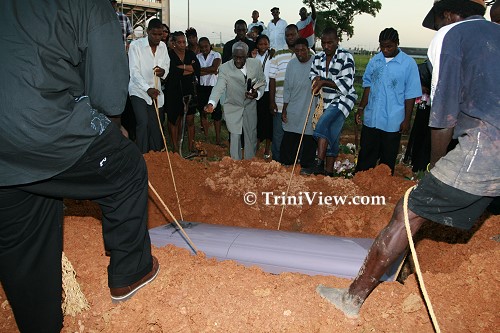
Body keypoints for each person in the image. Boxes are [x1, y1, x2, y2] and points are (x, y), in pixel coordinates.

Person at [316, 0, 499, 318]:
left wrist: (433, 168)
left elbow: (442, 114)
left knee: (407, 213)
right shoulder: (495, 34)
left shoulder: (450, 34)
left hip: (486, 147)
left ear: (447, 14)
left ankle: (351, 299)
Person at [0, 1, 160, 332]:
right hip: (39, 124)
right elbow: (108, 89)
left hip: (6, 149)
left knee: (29, 209)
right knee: (127, 166)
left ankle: (39, 322)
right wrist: (113, 126)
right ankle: (130, 273)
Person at [354, 28, 421, 175]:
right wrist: (361, 108)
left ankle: (383, 189)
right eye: (382, 46)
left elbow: (410, 94)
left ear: (397, 43)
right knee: (366, 154)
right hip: (372, 117)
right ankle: (361, 184)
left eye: (389, 46)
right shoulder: (375, 61)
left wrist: (407, 119)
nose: (385, 50)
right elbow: (368, 86)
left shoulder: (408, 64)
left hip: (393, 120)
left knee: (387, 158)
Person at [301, 27, 357, 176]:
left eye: (330, 43)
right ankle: (329, 173)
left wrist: (323, 82)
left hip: (342, 100)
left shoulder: (346, 57)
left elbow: (345, 84)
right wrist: (315, 80)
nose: (326, 46)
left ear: (337, 41)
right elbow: (313, 74)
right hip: (325, 101)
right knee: (332, 134)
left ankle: (318, 163)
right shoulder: (318, 57)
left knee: (322, 125)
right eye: (324, 43)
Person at [204, 42, 266, 160]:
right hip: (233, 106)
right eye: (235, 57)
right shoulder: (224, 68)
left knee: (251, 136)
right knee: (235, 136)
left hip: (250, 106)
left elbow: (262, 81)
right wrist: (211, 103)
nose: (237, 60)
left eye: (241, 57)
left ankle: (249, 163)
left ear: (247, 55)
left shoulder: (256, 64)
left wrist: (256, 94)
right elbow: (219, 86)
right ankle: (235, 164)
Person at [128, 18, 170, 154]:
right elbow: (134, 72)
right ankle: (142, 156)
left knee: (155, 125)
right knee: (143, 122)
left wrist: (163, 72)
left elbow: (166, 66)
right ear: (147, 32)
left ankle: (155, 156)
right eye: (154, 34)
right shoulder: (136, 45)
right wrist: (147, 89)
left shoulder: (163, 47)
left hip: (155, 91)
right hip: (139, 90)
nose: (157, 37)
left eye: (160, 34)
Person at [280, 38, 317, 169]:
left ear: (308, 49)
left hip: (310, 106)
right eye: (297, 51)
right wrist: (284, 109)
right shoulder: (291, 64)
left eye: (303, 50)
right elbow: (287, 88)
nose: (300, 53)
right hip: (294, 107)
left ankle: (307, 167)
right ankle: (287, 165)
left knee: (309, 137)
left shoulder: (316, 62)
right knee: (290, 136)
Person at [165, 31, 201, 154]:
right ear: (173, 43)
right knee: (175, 120)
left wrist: (181, 68)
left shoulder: (190, 54)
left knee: (190, 120)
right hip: (173, 92)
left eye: (184, 42)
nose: (182, 44)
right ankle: (175, 148)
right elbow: (172, 72)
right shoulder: (168, 55)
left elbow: (196, 69)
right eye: (179, 42)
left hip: (189, 91)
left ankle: (191, 146)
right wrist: (187, 68)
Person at [268, 24, 300, 162]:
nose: (290, 37)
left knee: (297, 136)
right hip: (280, 103)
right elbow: (272, 79)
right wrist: (271, 101)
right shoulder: (278, 54)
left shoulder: (308, 53)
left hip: (299, 105)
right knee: (278, 136)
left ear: (298, 34)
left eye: (293, 34)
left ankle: (295, 163)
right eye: (287, 35)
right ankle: (277, 163)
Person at [404, 61, 432, 173]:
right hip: (424, 112)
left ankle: (424, 166)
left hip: (432, 114)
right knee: (420, 136)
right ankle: (418, 165)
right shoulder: (422, 70)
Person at [196, 37, 224, 146]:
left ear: (210, 45)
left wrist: (202, 70)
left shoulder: (216, 55)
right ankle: (206, 137)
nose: (204, 49)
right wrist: (210, 70)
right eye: (201, 47)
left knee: (216, 114)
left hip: (213, 88)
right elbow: (196, 72)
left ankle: (218, 139)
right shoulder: (197, 57)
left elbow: (214, 68)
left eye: (206, 46)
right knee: (203, 112)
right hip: (201, 87)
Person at [253, 34, 275, 159]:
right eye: (260, 44)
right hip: (257, 91)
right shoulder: (254, 55)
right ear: (257, 45)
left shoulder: (272, 56)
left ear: (269, 44)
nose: (263, 46)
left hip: (268, 92)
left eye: (265, 44)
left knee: (268, 121)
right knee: (257, 120)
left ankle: (267, 149)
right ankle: (256, 146)